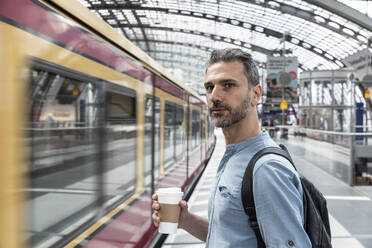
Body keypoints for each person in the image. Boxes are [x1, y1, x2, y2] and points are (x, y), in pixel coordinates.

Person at [152, 48, 311, 247]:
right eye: (209, 87)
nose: (214, 96)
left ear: (255, 94)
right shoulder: (235, 156)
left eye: (228, 85)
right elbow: (230, 236)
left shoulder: (266, 169)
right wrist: (186, 221)